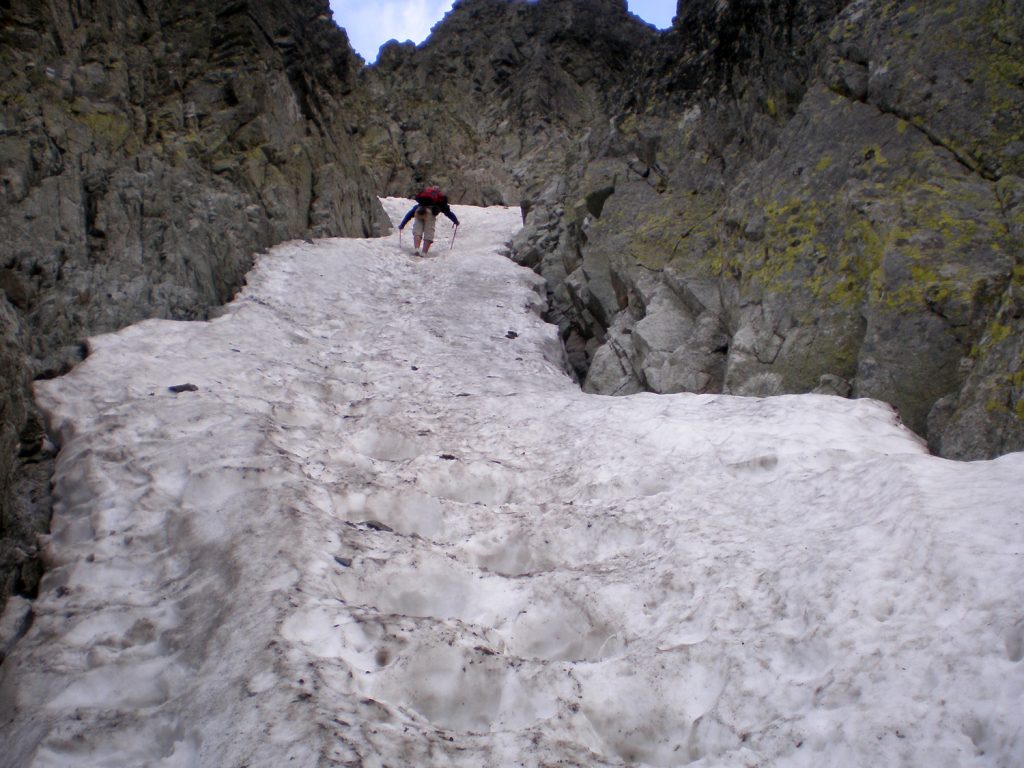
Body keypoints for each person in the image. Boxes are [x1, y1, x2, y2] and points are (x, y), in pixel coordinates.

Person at [398, 186, 460, 254]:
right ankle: (424, 252)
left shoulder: (421, 202)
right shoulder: (440, 201)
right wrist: (455, 221)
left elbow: (409, 214)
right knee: (429, 233)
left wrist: (402, 225)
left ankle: (417, 249)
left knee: (417, 232)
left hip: (419, 211)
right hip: (430, 214)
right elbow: (448, 213)